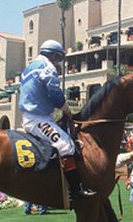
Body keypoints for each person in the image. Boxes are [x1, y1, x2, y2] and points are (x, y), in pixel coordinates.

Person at [19, 39, 95, 201]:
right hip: (38, 118)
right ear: (53, 55)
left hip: (33, 116)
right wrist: (67, 110)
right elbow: (54, 92)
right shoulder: (47, 67)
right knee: (66, 145)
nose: (58, 63)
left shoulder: (29, 67)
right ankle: (75, 191)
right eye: (58, 59)